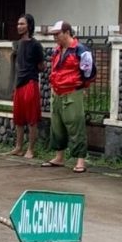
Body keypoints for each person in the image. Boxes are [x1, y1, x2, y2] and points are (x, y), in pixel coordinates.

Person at [41, 20, 93, 173]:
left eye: (57, 34)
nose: (55, 37)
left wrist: (81, 87)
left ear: (67, 33)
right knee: (57, 126)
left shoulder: (80, 50)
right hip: (57, 91)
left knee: (76, 125)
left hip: (72, 91)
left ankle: (80, 160)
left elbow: (88, 72)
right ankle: (59, 156)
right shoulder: (58, 50)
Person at [10, 14, 45, 159]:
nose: (19, 26)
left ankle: (30, 149)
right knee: (18, 118)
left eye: (22, 24)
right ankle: (18, 147)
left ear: (29, 26)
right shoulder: (17, 44)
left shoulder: (36, 45)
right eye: (18, 24)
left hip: (30, 82)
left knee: (31, 119)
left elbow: (41, 66)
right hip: (19, 83)